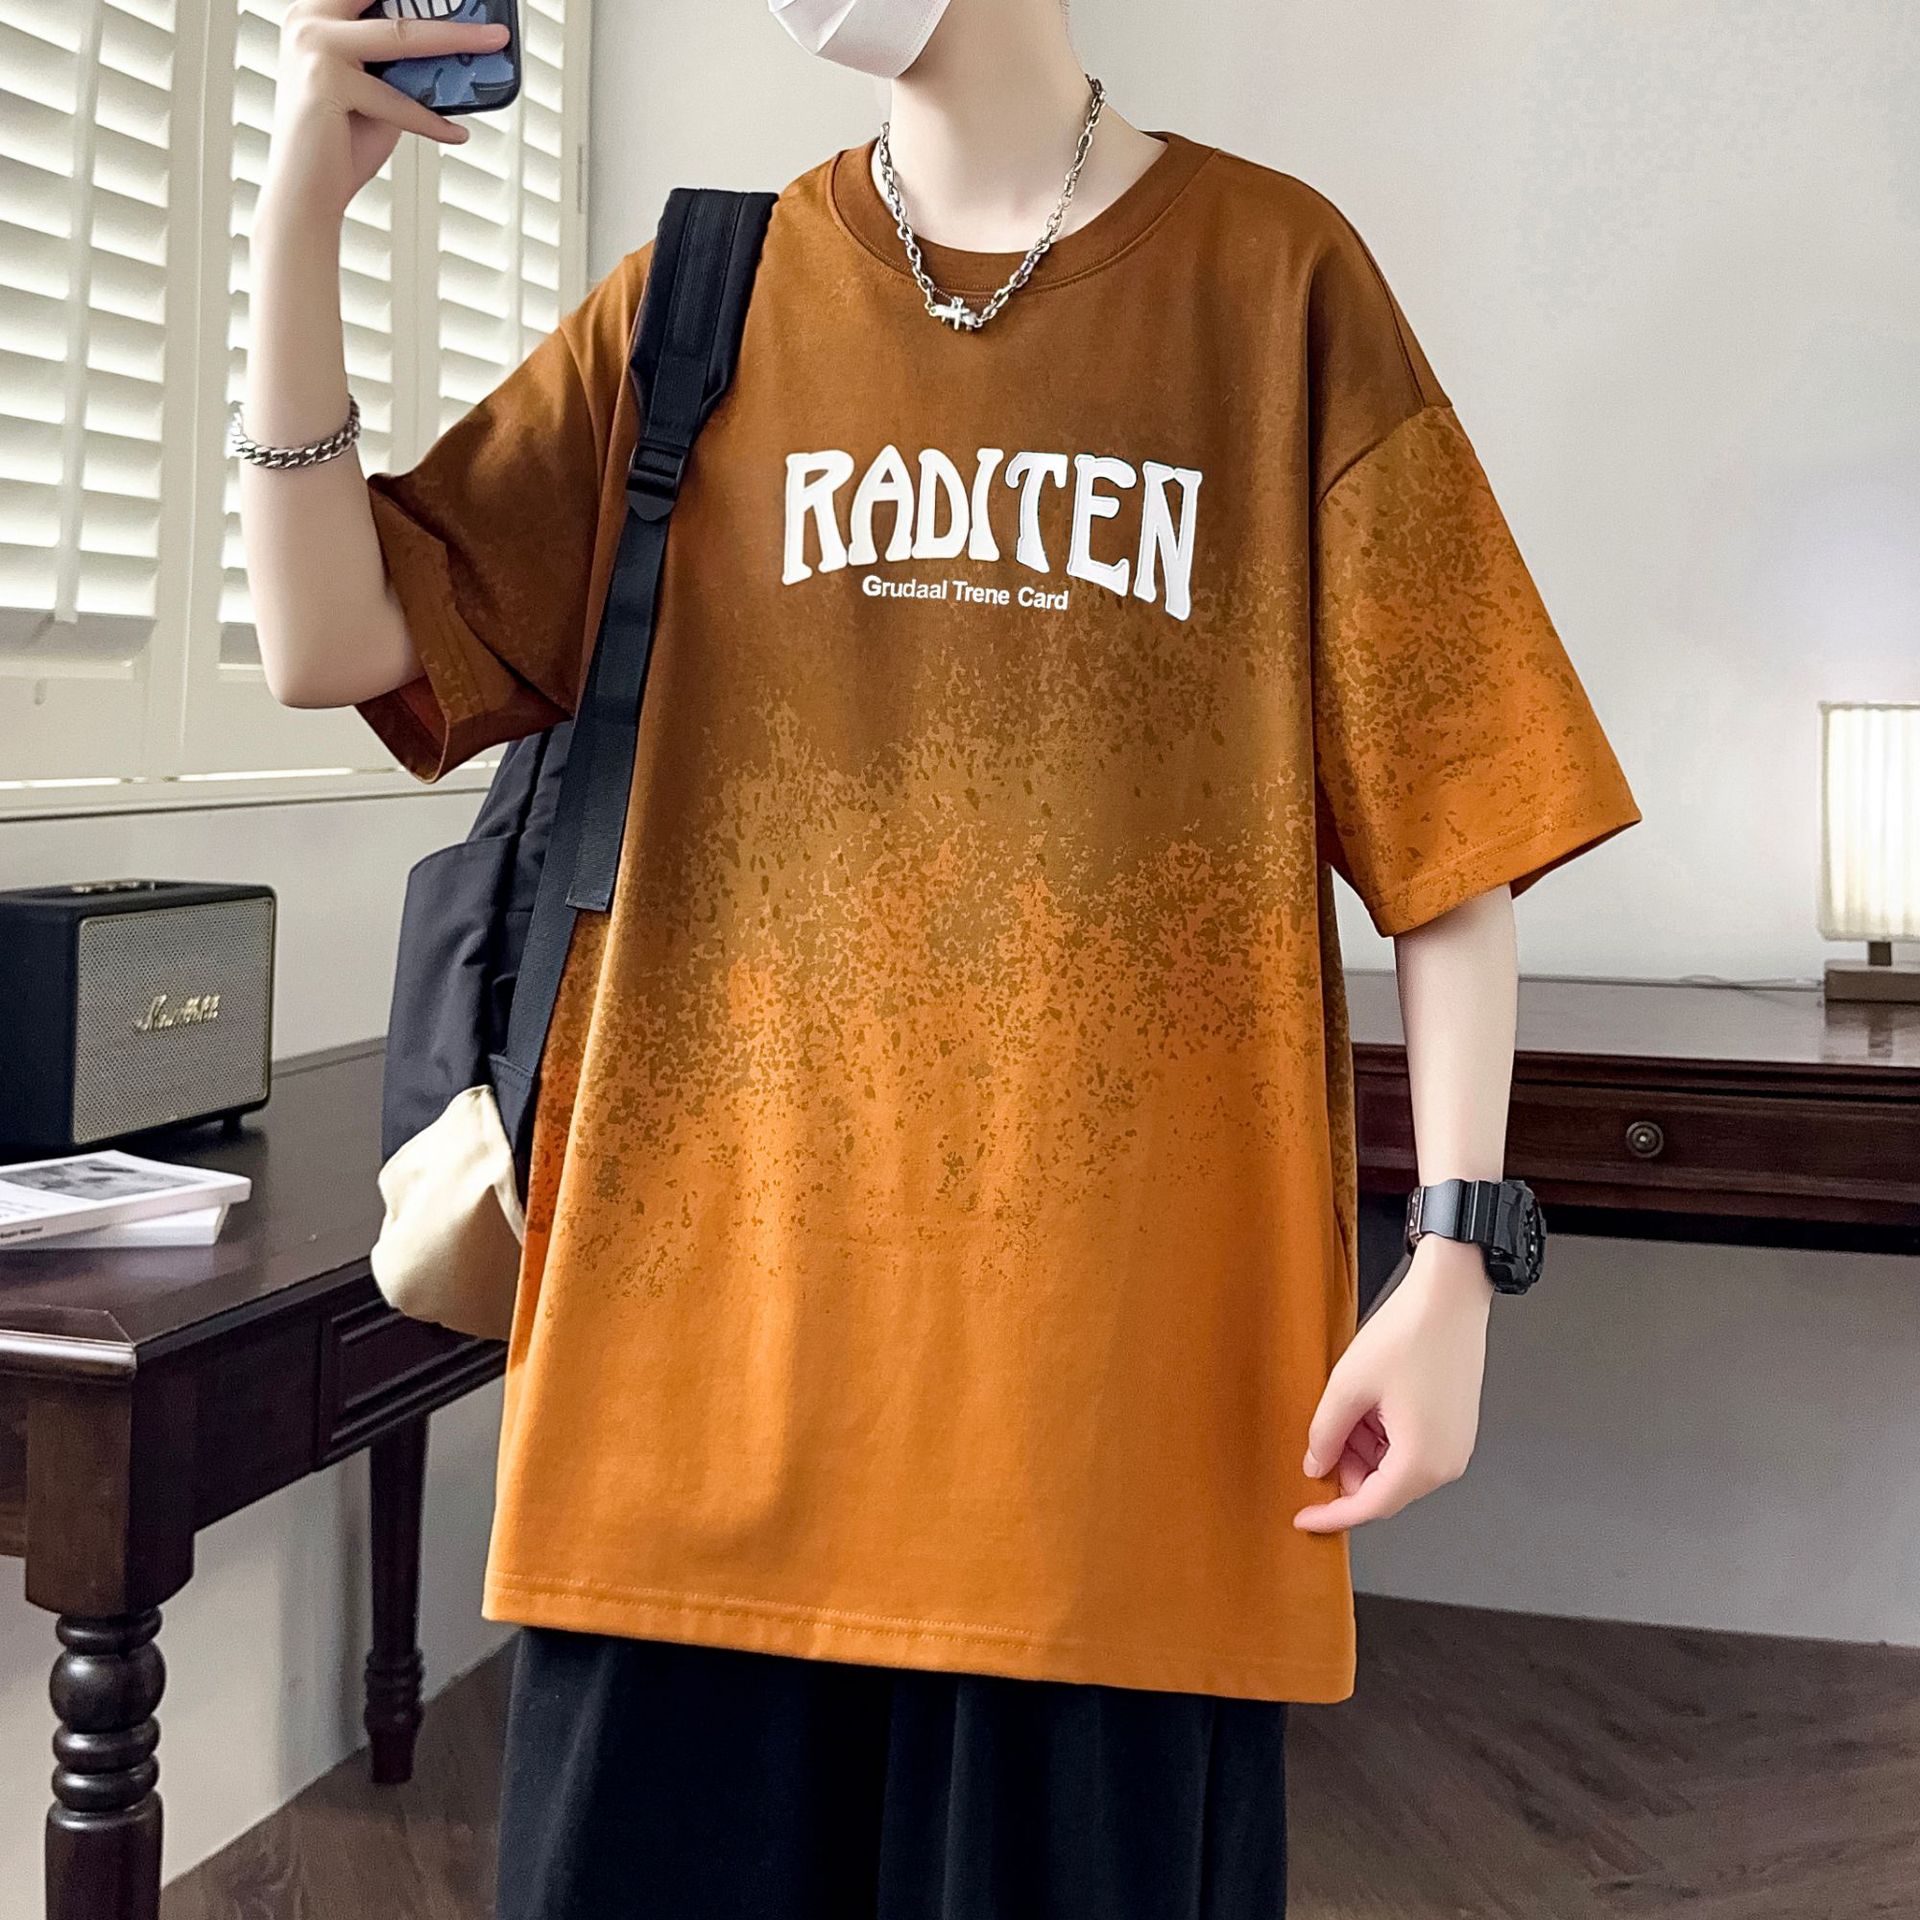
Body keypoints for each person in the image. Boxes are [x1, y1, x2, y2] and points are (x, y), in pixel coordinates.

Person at [239, 1, 1642, 1913]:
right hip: (692, 1425)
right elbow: (337, 643)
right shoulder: (703, 301)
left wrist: (1460, 1258)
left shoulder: (1273, 280)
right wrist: (296, 219)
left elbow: (1453, 826)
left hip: (1112, 1459)